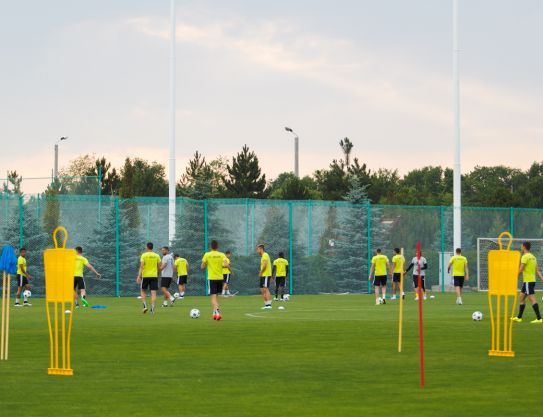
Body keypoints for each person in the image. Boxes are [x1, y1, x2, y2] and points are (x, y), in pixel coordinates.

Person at [512, 242, 543, 324]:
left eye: (521, 246)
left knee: (532, 299)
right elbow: (537, 270)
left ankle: (539, 318)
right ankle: (519, 317)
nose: (521, 248)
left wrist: (515, 278)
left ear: (524, 247)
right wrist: (542, 278)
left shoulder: (525, 257)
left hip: (528, 282)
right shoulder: (533, 257)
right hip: (530, 281)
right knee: (521, 297)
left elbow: (521, 269)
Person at [201, 240, 229, 320]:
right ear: (217, 247)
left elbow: (202, 267)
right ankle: (214, 313)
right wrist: (221, 265)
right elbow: (226, 265)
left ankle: (217, 311)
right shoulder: (222, 254)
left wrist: (206, 263)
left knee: (213, 297)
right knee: (216, 296)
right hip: (220, 278)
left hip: (212, 278)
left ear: (210, 246)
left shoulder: (207, 254)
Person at [136, 242, 162, 314]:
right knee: (153, 293)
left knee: (143, 290)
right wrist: (158, 273)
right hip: (154, 276)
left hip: (145, 276)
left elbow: (142, 266)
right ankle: (152, 309)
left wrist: (139, 276)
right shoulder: (157, 255)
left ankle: (145, 306)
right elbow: (159, 267)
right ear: (152, 247)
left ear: (147, 247)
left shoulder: (144, 255)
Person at [256, 244, 273, 309]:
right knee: (262, 290)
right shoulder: (263, 256)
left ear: (261, 249)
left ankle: (269, 305)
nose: (257, 251)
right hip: (263, 275)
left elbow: (265, 265)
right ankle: (266, 305)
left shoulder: (265, 255)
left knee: (266, 289)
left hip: (265, 274)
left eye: (257, 249)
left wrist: (261, 272)